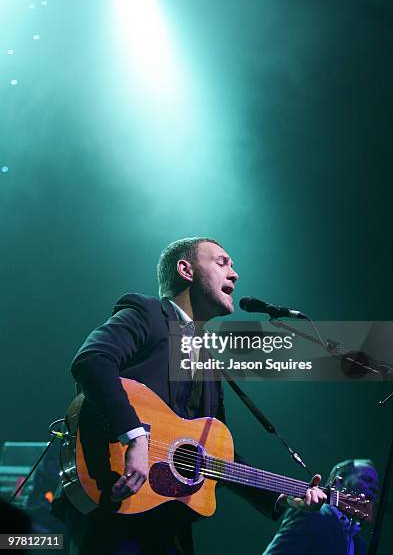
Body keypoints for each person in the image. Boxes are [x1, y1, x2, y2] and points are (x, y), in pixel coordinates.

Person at [61, 237, 327, 554]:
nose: (235, 274)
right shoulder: (147, 314)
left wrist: (283, 496)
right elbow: (91, 361)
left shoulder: (208, 361)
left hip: (167, 527)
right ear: (186, 270)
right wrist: (135, 437)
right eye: (222, 262)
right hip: (112, 509)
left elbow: (218, 457)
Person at [263, 458, 379, 555]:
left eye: (376, 486)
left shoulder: (360, 545)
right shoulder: (312, 515)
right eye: (367, 480)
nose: (375, 489)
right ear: (337, 483)